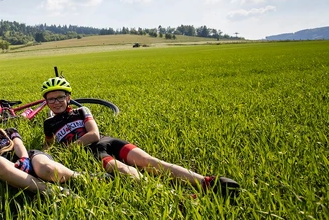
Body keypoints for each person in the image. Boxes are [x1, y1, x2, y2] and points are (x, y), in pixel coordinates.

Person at [40, 77, 240, 197]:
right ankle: (173, 196)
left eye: (60, 97)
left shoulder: (82, 110)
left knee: (150, 162)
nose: (56, 102)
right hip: (92, 152)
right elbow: (49, 147)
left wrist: (70, 146)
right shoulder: (48, 124)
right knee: (124, 170)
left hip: (107, 141)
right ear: (46, 102)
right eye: (51, 99)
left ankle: (207, 182)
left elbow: (94, 134)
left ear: (68, 97)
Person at [0, 94, 80, 194]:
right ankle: (52, 191)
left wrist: (24, 158)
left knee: (47, 169)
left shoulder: (9, 131)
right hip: (11, 171)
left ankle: (81, 177)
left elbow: (18, 145)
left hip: (29, 159)